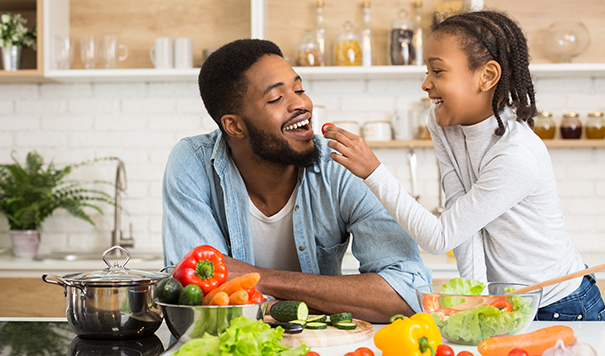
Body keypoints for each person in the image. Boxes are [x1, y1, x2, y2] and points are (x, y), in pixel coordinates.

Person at [323, 10, 604, 321]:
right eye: (427, 71)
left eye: (438, 71)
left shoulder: (516, 154)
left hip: (562, 304)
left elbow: (439, 237)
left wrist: (373, 172)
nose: (426, 84)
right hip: (510, 304)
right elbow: (462, 225)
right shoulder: (443, 123)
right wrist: (476, 297)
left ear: (486, 76)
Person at [161, 39, 431, 323]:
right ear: (235, 126)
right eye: (276, 98)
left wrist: (261, 279)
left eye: (299, 89)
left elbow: (407, 294)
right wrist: (329, 297)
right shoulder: (193, 163)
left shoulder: (340, 165)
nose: (301, 104)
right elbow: (202, 302)